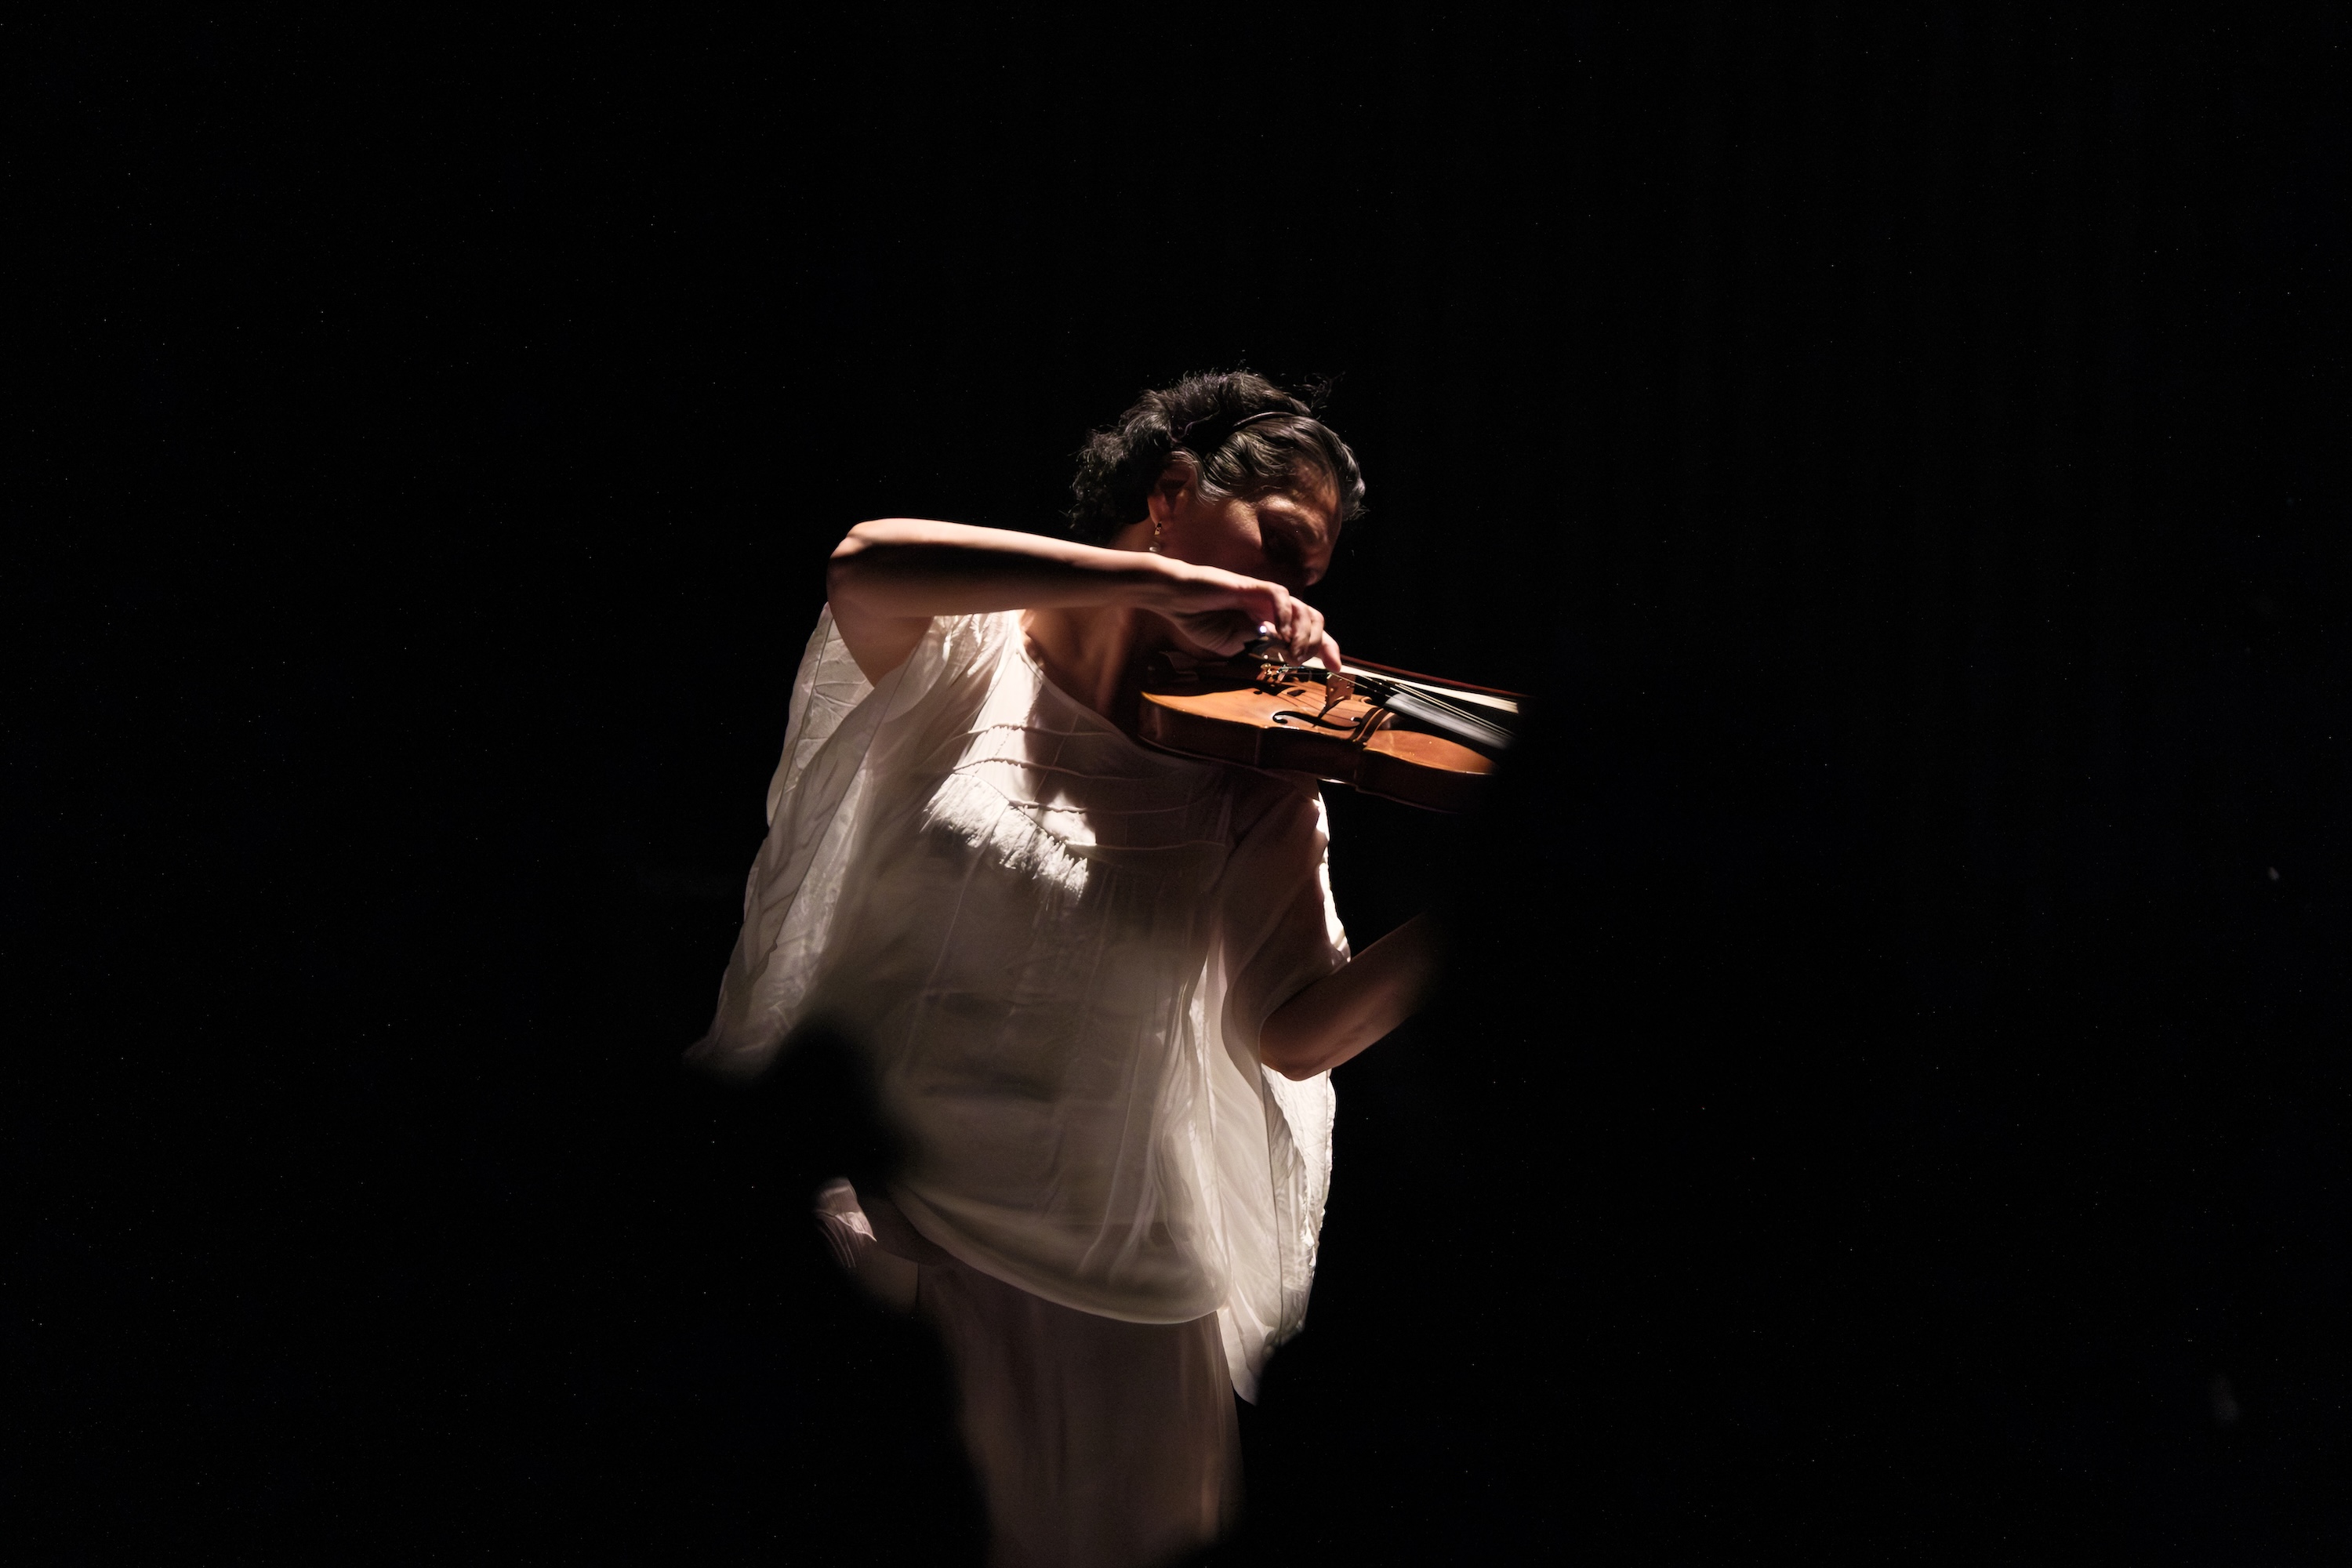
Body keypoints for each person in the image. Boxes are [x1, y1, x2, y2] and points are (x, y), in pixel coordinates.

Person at [689, 370, 1443, 1566]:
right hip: (886, 1226)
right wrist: (1162, 583)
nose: (1287, 598)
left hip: (1112, 1282)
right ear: (1172, 492)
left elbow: (1294, 1029)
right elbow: (864, 558)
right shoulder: (964, 650)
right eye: (1275, 550)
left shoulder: (1253, 763)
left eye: (1307, 580)